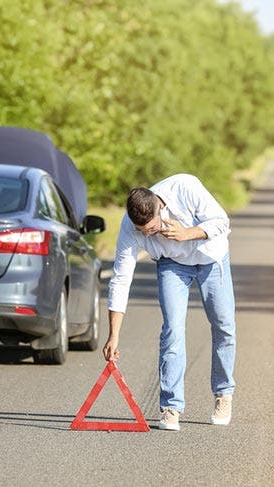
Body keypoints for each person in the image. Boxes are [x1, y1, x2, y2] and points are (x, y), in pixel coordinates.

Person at [103, 174, 236, 431]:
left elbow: (222, 221)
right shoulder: (130, 227)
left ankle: (223, 394)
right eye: (144, 232)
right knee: (173, 328)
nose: (149, 234)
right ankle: (171, 406)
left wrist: (187, 233)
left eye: (152, 229)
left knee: (224, 325)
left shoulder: (185, 187)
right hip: (172, 264)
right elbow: (121, 279)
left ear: (160, 207)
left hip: (211, 256)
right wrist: (113, 335)